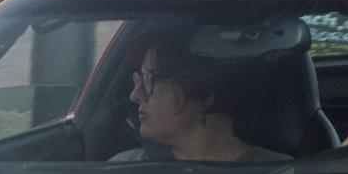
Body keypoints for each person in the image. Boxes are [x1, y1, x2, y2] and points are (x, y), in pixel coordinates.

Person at [112, 26, 289, 164]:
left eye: (150, 80)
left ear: (204, 94)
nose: (134, 96)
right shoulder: (122, 172)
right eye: (139, 80)